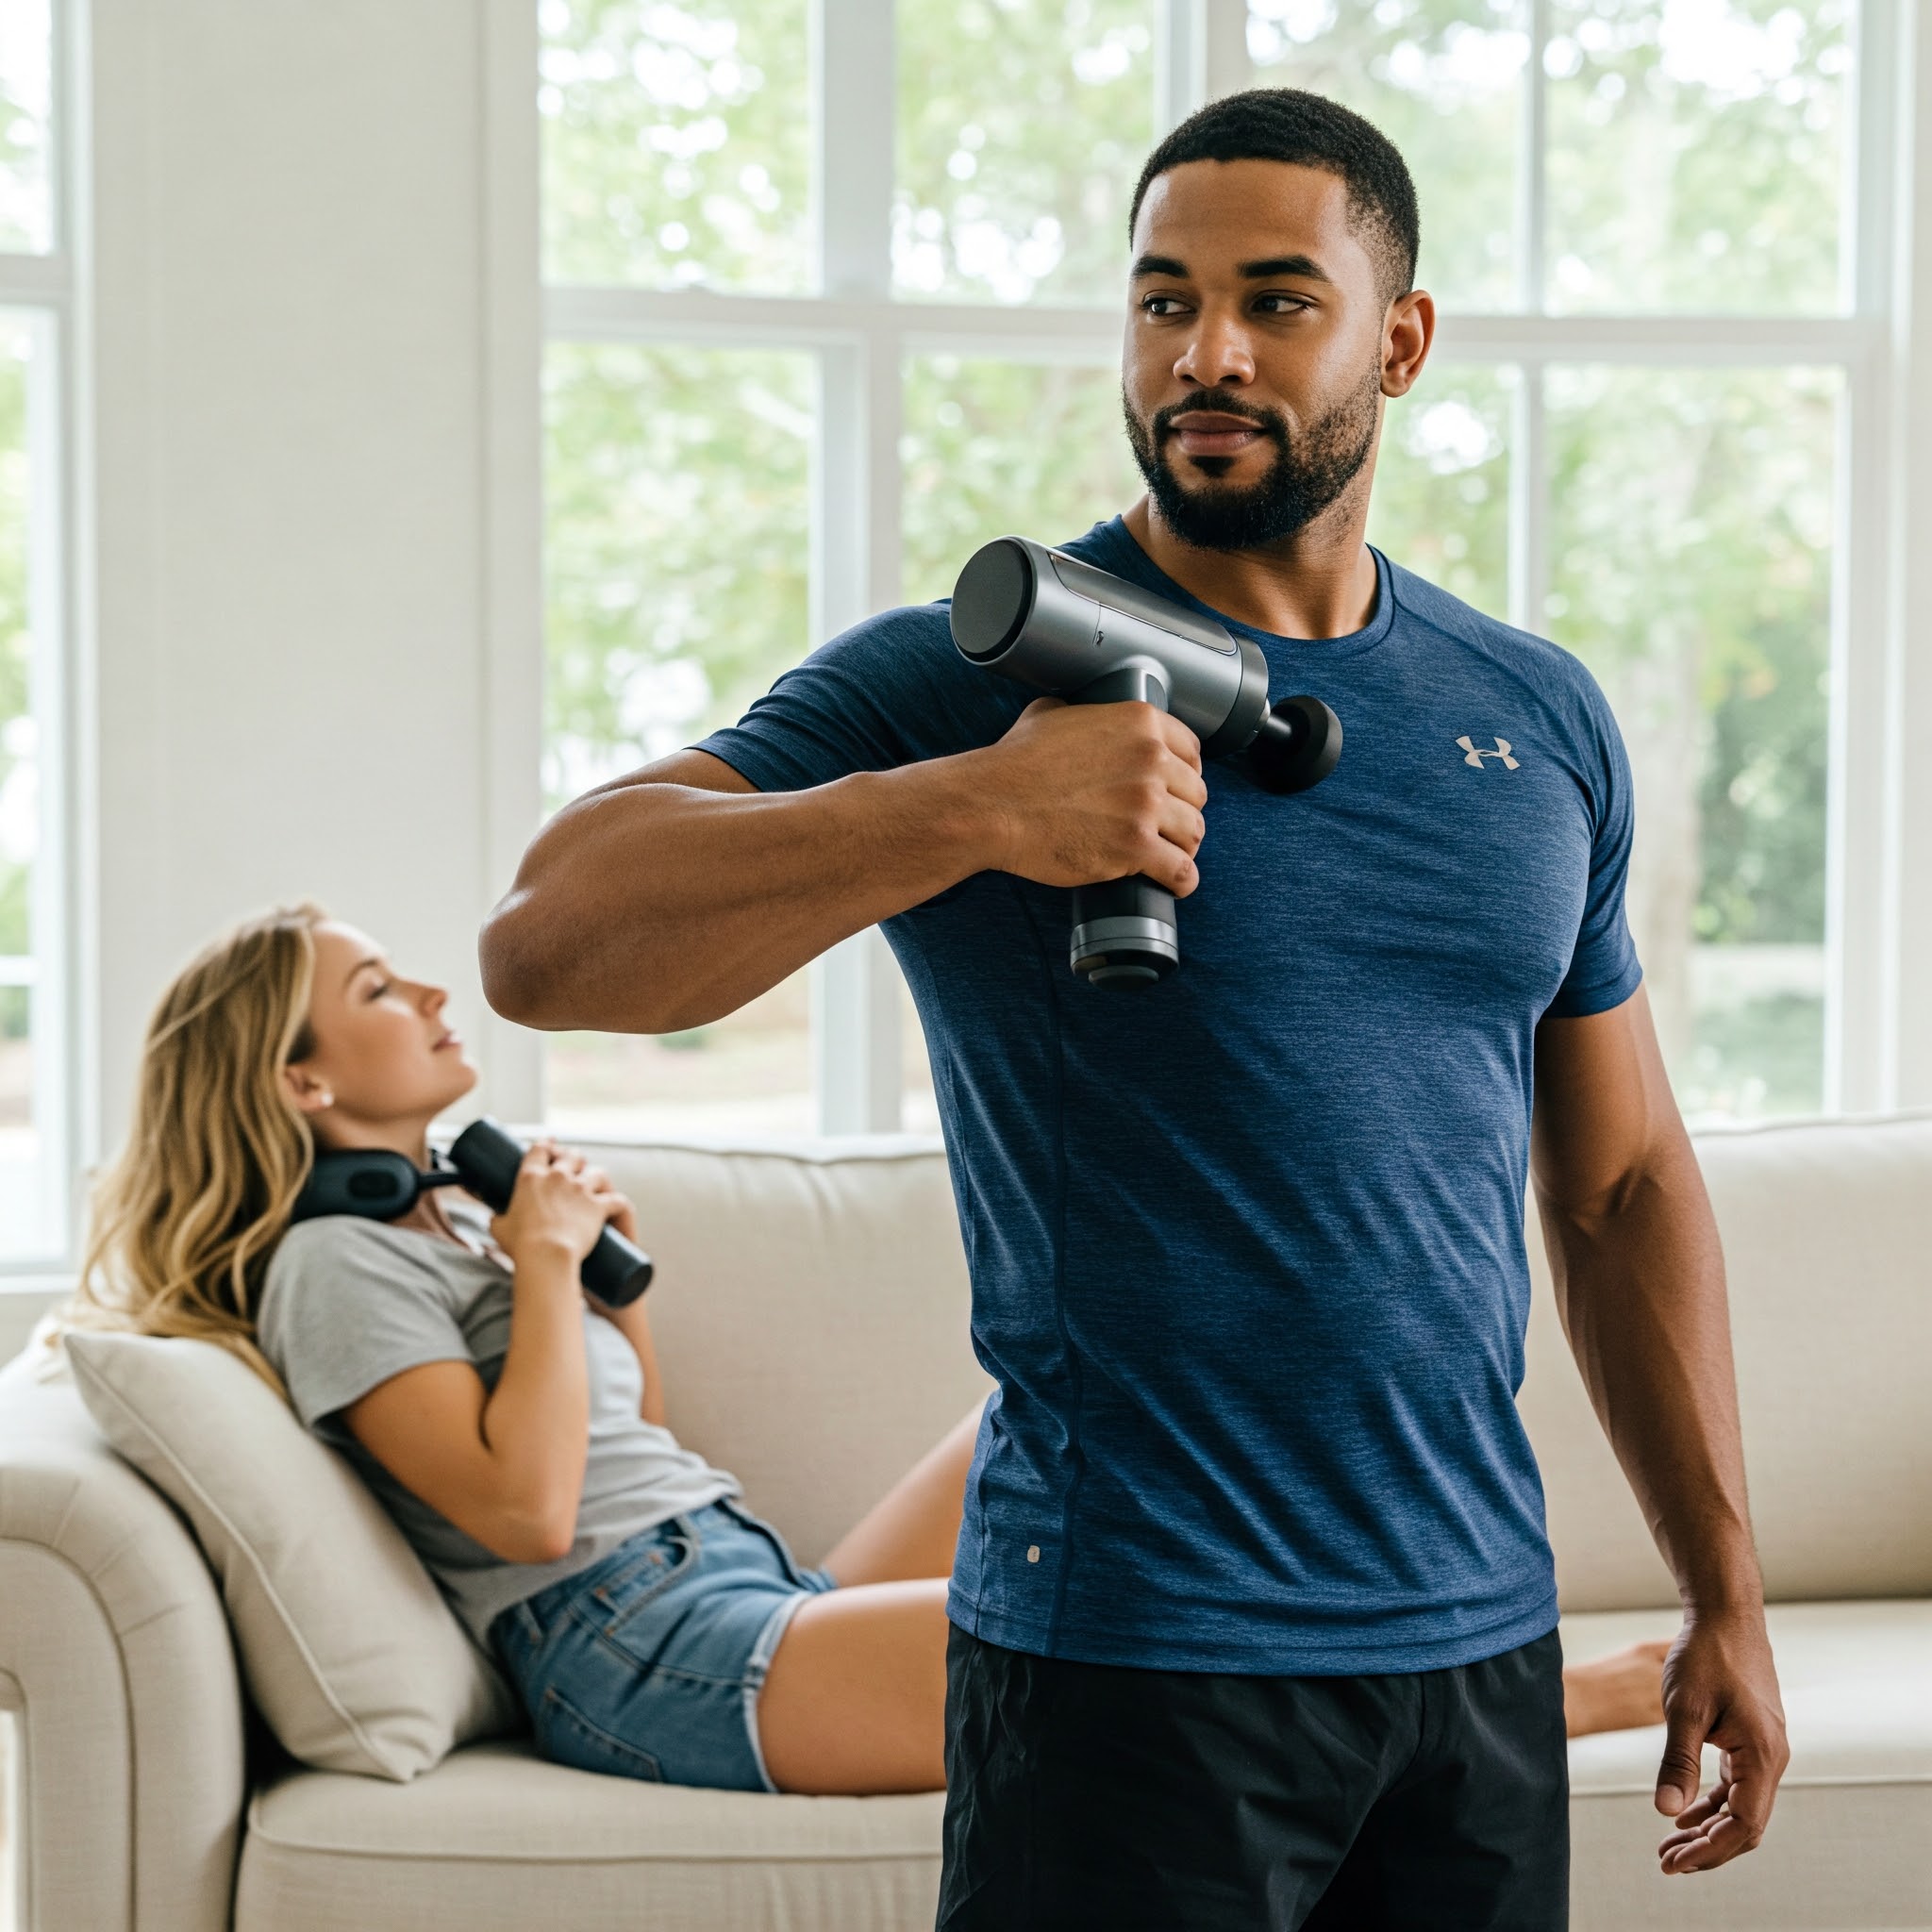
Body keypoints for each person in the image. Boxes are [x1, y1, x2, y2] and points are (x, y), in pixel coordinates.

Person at [480, 86, 1787, 1927]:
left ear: (1398, 340)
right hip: (1123, 1664)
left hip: (1474, 1657)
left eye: (1275, 300)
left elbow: (1624, 1180)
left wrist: (1721, 1586)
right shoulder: (982, 673)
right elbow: (549, 939)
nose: (1206, 353)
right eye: (1163, 300)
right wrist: (973, 807)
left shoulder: (1532, 719)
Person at [60, 904, 1670, 1806]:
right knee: (1126, 1647)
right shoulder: (332, 1268)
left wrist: (589, 1299)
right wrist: (547, 1272)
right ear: (299, 1089)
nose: (421, 984)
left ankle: (1394, 1588)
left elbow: (633, 1446)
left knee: (1077, 1392)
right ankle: (1539, 1702)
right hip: (647, 1655)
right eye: (372, 988)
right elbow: (531, 1517)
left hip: (735, 1582)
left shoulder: (431, 1227)